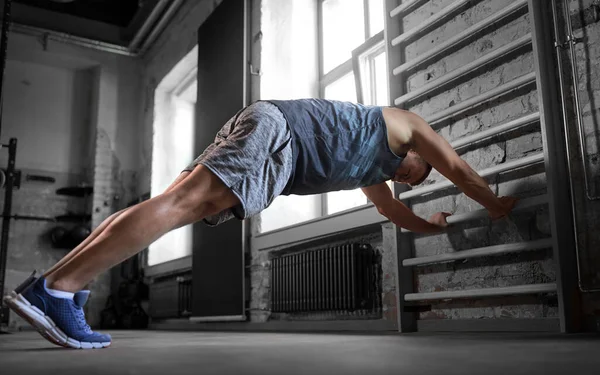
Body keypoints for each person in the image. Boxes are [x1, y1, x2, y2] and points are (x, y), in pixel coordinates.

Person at [3, 99, 517, 348]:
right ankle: (58, 288)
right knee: (180, 206)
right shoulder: (405, 127)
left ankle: (58, 287)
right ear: (416, 156)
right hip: (278, 134)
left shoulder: (371, 166)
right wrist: (494, 206)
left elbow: (390, 212)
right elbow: (460, 169)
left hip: (270, 132)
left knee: (174, 203)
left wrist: (430, 224)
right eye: (417, 176)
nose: (412, 181)